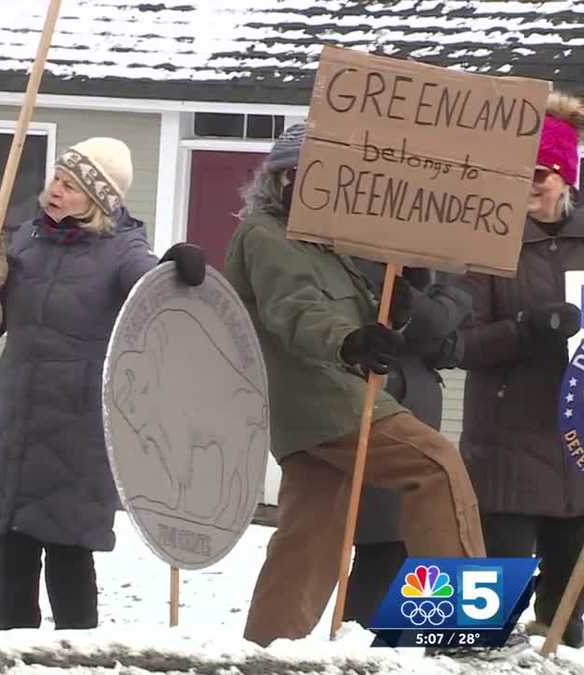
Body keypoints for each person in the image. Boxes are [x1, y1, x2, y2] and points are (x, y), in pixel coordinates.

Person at [225, 123, 486, 647]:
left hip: (321, 407)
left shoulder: (330, 245)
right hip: (324, 398)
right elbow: (295, 311)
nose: (322, 186)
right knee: (435, 465)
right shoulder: (267, 235)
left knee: (309, 535)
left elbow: (370, 312)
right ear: (281, 179)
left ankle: (268, 648)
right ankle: (463, 626)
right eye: (307, 174)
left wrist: (409, 290)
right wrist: (349, 342)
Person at [0, 137, 207, 630]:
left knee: (69, 558)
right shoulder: (25, 238)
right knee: (12, 557)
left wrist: (175, 268)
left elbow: (151, 289)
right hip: (18, 420)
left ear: (97, 199)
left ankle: (78, 657)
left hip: (78, 428)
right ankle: (9, 660)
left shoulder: (122, 250)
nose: (56, 190)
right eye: (57, 178)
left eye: (72, 186)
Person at [455, 91, 584, 647]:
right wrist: (527, 326)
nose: (529, 184)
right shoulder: (485, 244)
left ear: (566, 177)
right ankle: (426, 652)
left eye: (541, 173)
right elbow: (457, 345)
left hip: (577, 451)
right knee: (467, 621)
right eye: (518, 173)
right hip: (504, 445)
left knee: (566, 630)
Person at [342, 265, 473, 626]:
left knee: (407, 544)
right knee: (379, 543)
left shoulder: (450, 269)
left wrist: (413, 305)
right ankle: (360, 637)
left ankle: (436, 633)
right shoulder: (357, 257)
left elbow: (450, 330)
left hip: (419, 405)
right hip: (372, 401)